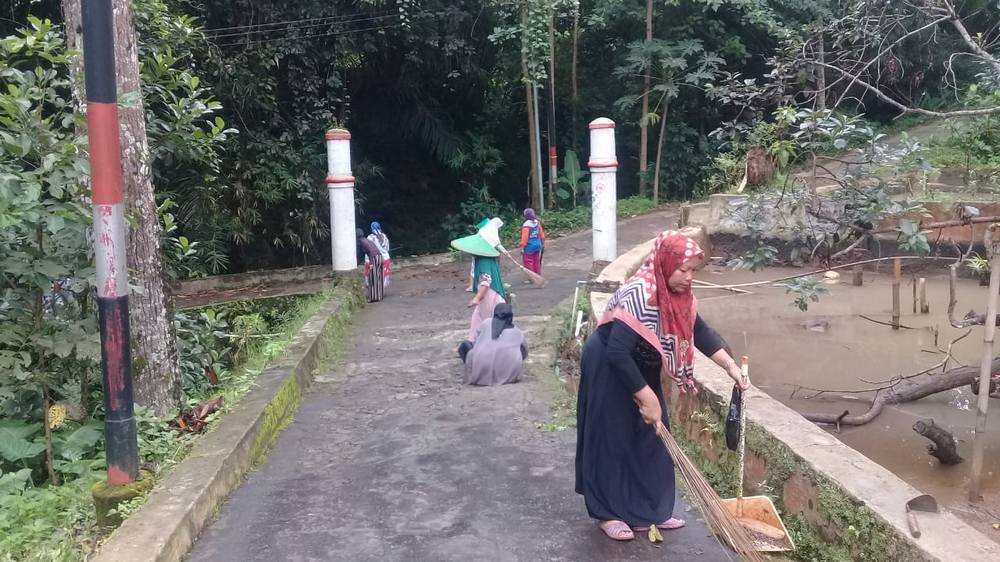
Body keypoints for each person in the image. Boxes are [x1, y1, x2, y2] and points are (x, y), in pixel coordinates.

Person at [574, 231, 751, 542]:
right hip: (607, 362)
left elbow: (701, 332)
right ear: (666, 262)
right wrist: (646, 396)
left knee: (652, 435)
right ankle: (608, 512)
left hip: (641, 362)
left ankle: (648, 511)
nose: (688, 277)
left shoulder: (681, 297)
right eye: (682, 269)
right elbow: (617, 351)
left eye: (693, 270)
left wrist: (731, 368)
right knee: (612, 434)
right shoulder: (640, 293)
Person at [457, 303, 527, 385]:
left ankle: (473, 374)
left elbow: (476, 343)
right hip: (508, 376)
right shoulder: (518, 332)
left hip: (481, 370)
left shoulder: (486, 323)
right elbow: (524, 353)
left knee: (465, 345)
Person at [467, 252, 508, 341]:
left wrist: (477, 298)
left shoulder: (483, 261)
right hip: (490, 294)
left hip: (489, 295)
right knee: (477, 320)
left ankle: (487, 344)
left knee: (488, 321)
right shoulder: (487, 258)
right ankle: (472, 343)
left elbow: (486, 282)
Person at [356, 228, 383, 302]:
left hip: (374, 258)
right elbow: (362, 255)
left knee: (372, 279)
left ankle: (373, 298)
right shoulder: (365, 240)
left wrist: (371, 263)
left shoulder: (362, 242)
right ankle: (379, 296)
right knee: (377, 278)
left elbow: (370, 251)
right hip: (379, 257)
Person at [520, 208, 545, 275]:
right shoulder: (537, 222)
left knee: (528, 262)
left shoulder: (526, 225)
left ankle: (532, 277)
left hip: (529, 247)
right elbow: (542, 234)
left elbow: (524, 239)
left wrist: (522, 248)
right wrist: (542, 243)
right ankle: (538, 274)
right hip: (538, 245)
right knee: (536, 260)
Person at [367, 221, 391, 289]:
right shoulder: (384, 236)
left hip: (374, 259)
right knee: (385, 275)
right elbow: (387, 248)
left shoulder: (370, 237)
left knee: (371, 273)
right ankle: (384, 285)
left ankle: (368, 283)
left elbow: (368, 249)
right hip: (385, 258)